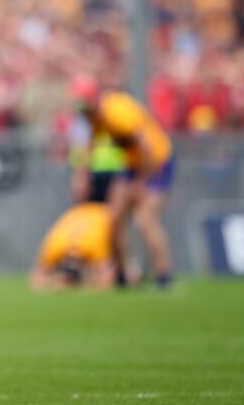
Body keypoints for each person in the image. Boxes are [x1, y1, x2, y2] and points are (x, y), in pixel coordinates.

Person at [70, 77, 175, 288]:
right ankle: (123, 273)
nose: (81, 110)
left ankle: (164, 275)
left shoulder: (117, 112)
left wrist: (140, 182)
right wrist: (82, 176)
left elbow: (147, 148)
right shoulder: (96, 117)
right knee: (113, 218)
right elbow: (93, 143)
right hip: (132, 165)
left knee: (145, 220)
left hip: (157, 163)